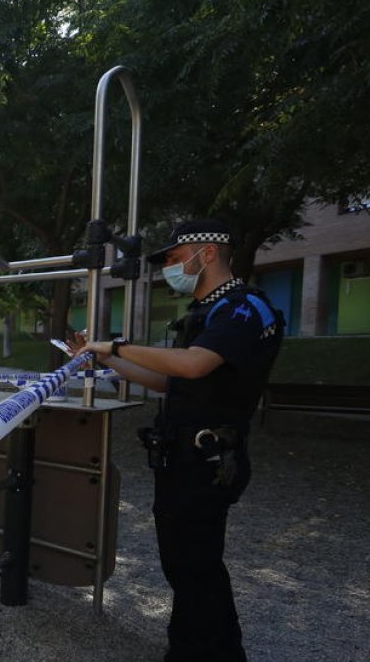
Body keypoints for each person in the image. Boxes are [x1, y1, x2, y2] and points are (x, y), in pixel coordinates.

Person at [73, 219, 283, 662]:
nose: (170, 268)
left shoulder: (244, 307)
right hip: (180, 457)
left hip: (209, 460)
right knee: (185, 565)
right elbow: (168, 381)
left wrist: (116, 346)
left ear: (205, 253)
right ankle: (203, 649)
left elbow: (192, 365)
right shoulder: (206, 313)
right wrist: (102, 363)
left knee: (196, 566)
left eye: (172, 258)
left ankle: (203, 652)